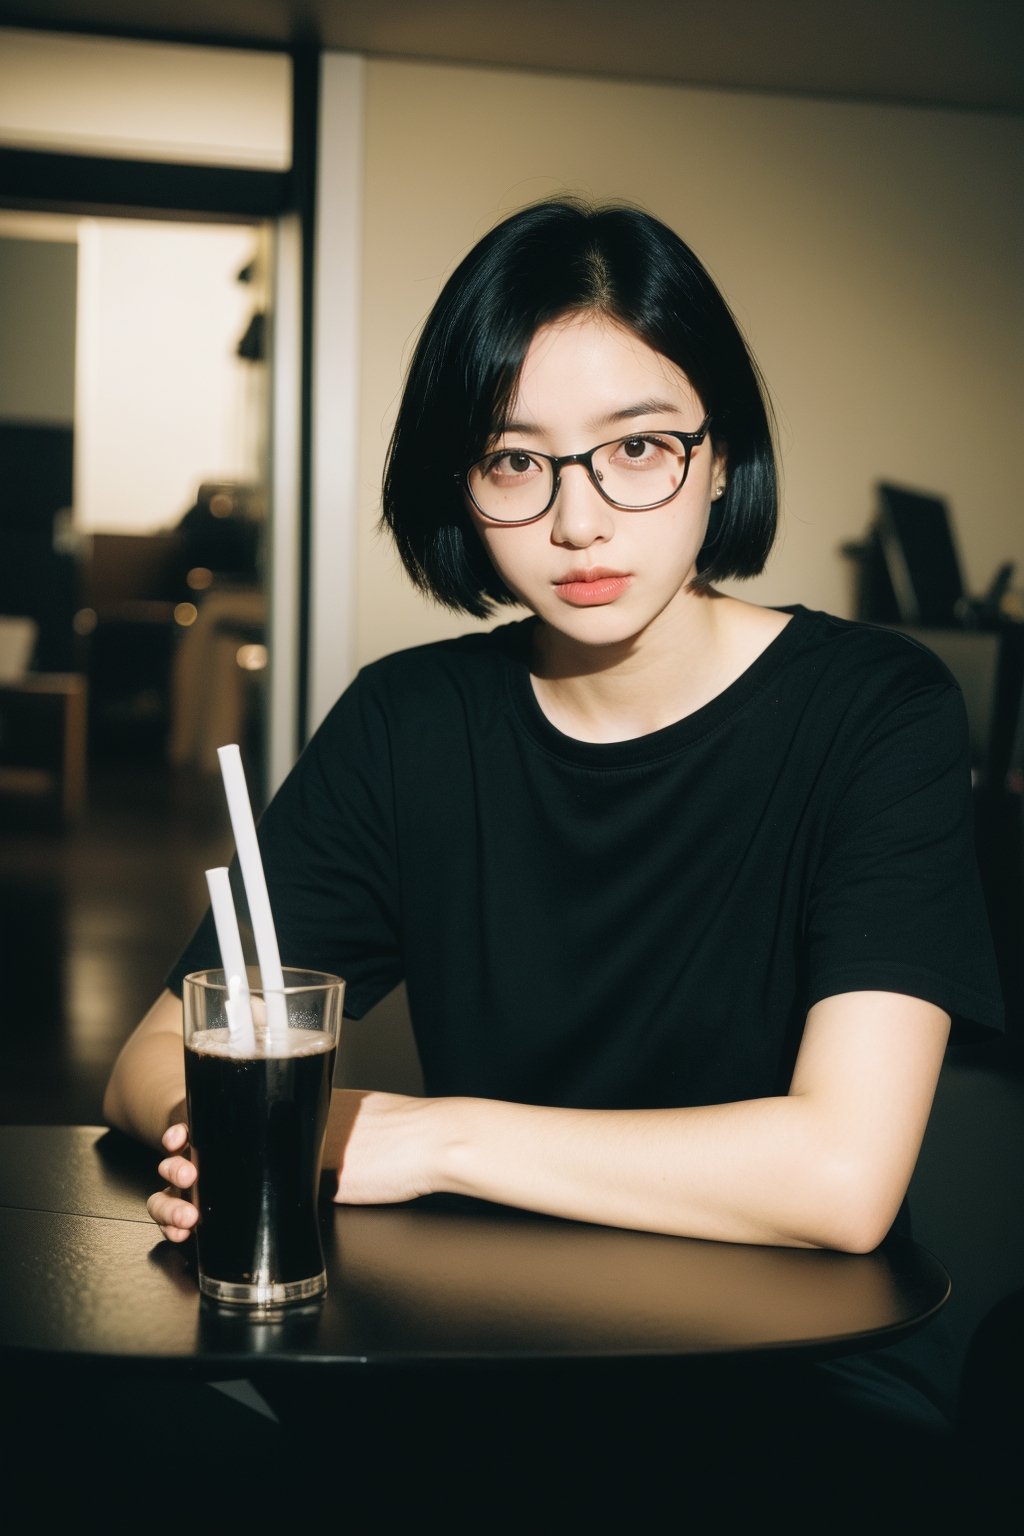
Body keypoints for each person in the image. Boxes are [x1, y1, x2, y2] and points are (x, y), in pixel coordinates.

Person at [103, 197, 1002, 1521]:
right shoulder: (410, 725)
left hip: (796, 1377)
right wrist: (273, 1134)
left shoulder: (877, 710)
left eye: (637, 448)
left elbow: (840, 1182)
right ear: (460, 486)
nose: (580, 521)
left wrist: (418, 1140)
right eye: (516, 462)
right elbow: (144, 1070)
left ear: (718, 453)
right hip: (479, 1353)